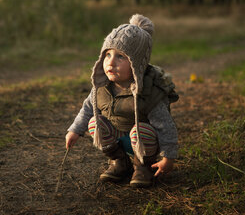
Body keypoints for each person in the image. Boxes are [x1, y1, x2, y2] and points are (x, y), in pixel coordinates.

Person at [65, 14, 179, 187]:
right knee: (95, 122)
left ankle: (143, 167)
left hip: (144, 142)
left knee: (141, 130)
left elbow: (166, 126)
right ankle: (119, 161)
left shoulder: (148, 92)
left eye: (120, 57)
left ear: (137, 63)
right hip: (117, 137)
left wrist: (168, 157)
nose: (110, 63)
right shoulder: (102, 86)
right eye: (107, 55)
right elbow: (87, 108)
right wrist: (74, 130)